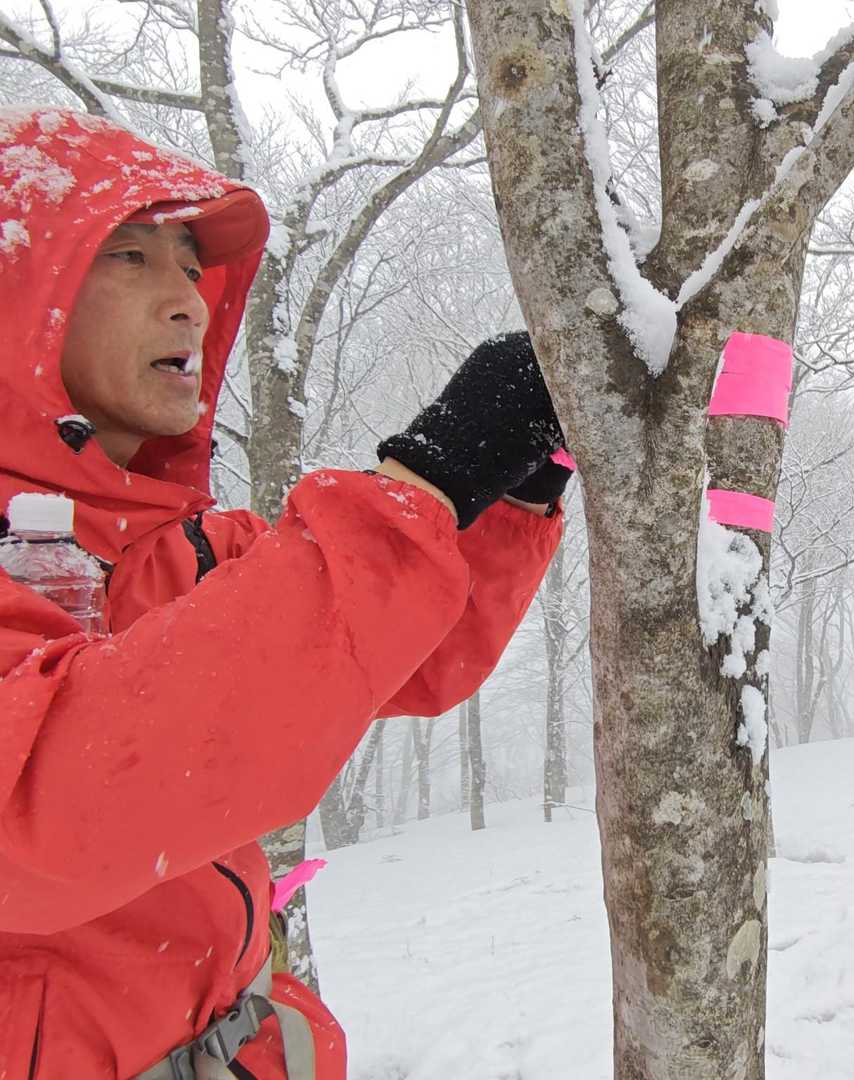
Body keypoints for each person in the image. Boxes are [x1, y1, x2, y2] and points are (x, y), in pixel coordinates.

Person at [0, 106, 573, 1079]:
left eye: (192, 266)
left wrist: (515, 484)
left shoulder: (187, 550)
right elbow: (54, 809)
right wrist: (425, 478)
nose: (188, 302)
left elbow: (399, 657)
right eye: (129, 256)